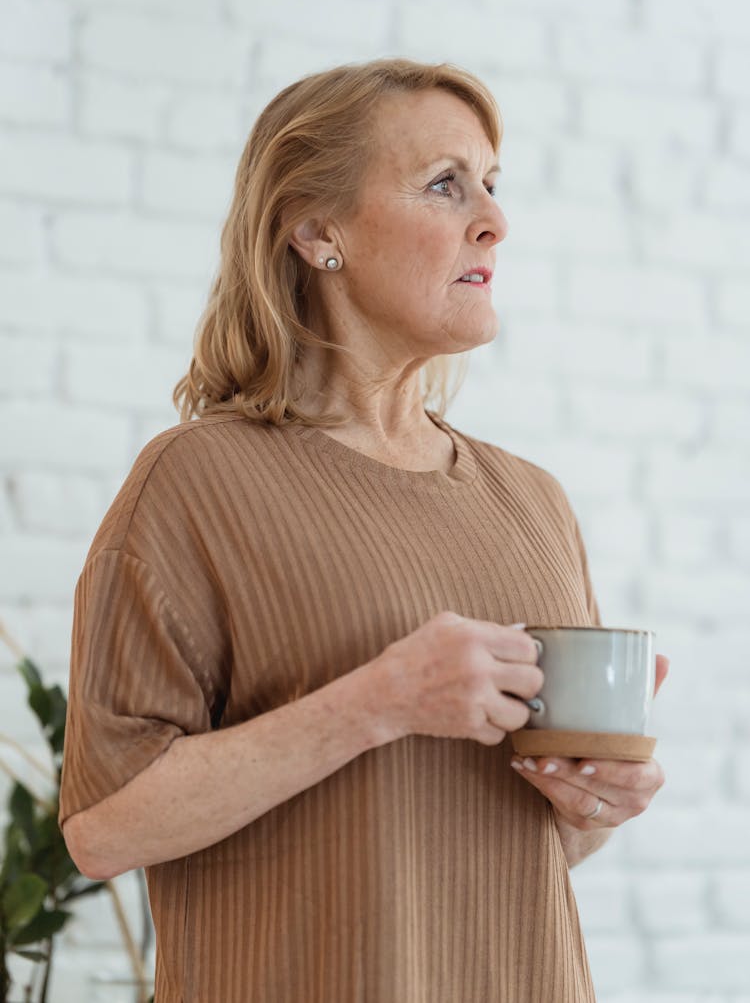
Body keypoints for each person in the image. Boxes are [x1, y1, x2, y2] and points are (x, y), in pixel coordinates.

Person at [59, 57, 667, 1002]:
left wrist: (594, 799)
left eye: (493, 186)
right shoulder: (196, 481)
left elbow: (541, 841)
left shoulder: (534, 501)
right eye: (444, 184)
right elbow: (103, 826)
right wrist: (377, 700)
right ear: (315, 230)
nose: (494, 221)